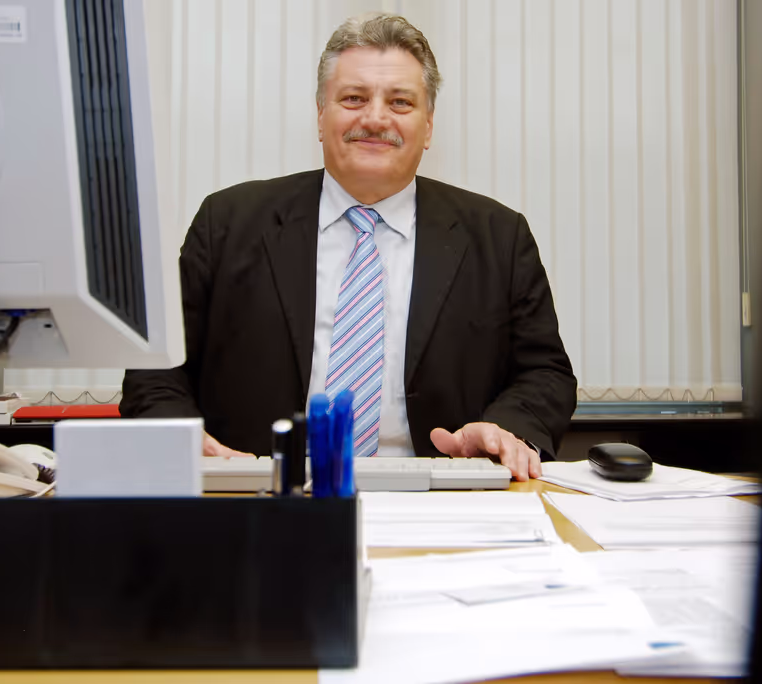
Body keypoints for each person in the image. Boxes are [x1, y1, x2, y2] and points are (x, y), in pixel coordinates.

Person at [120, 13, 576, 481]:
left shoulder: (499, 237)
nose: (375, 118)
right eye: (354, 98)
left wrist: (503, 431)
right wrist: (176, 436)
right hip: (261, 497)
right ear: (321, 116)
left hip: (442, 495)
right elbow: (155, 372)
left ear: (429, 125)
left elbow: (545, 373)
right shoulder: (228, 223)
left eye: (400, 102)